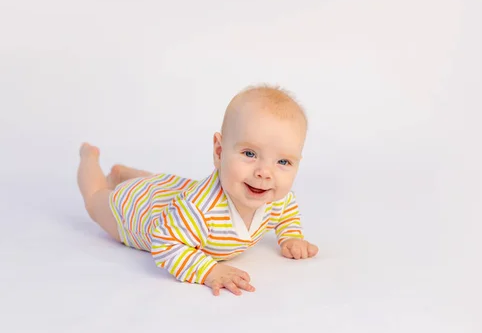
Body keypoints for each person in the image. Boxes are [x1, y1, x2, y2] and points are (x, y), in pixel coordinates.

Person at [76, 85, 318, 296]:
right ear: (219, 151)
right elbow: (166, 243)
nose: (265, 172)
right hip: (135, 210)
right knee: (95, 198)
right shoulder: (200, 209)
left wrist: (291, 236)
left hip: (170, 188)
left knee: (163, 183)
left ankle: (122, 173)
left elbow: (287, 212)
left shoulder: (276, 197)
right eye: (249, 154)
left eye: (283, 162)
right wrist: (209, 270)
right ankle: (89, 157)